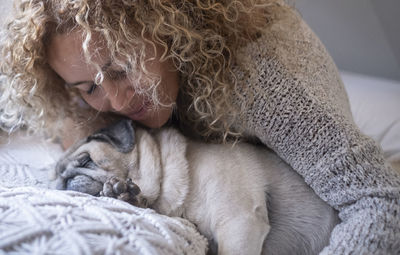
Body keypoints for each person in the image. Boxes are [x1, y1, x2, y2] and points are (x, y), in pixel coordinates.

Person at [0, 0, 399, 254]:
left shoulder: (267, 81)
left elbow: (380, 200)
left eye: (121, 69)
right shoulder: (105, 89)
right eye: (88, 87)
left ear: (167, 27)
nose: (117, 102)